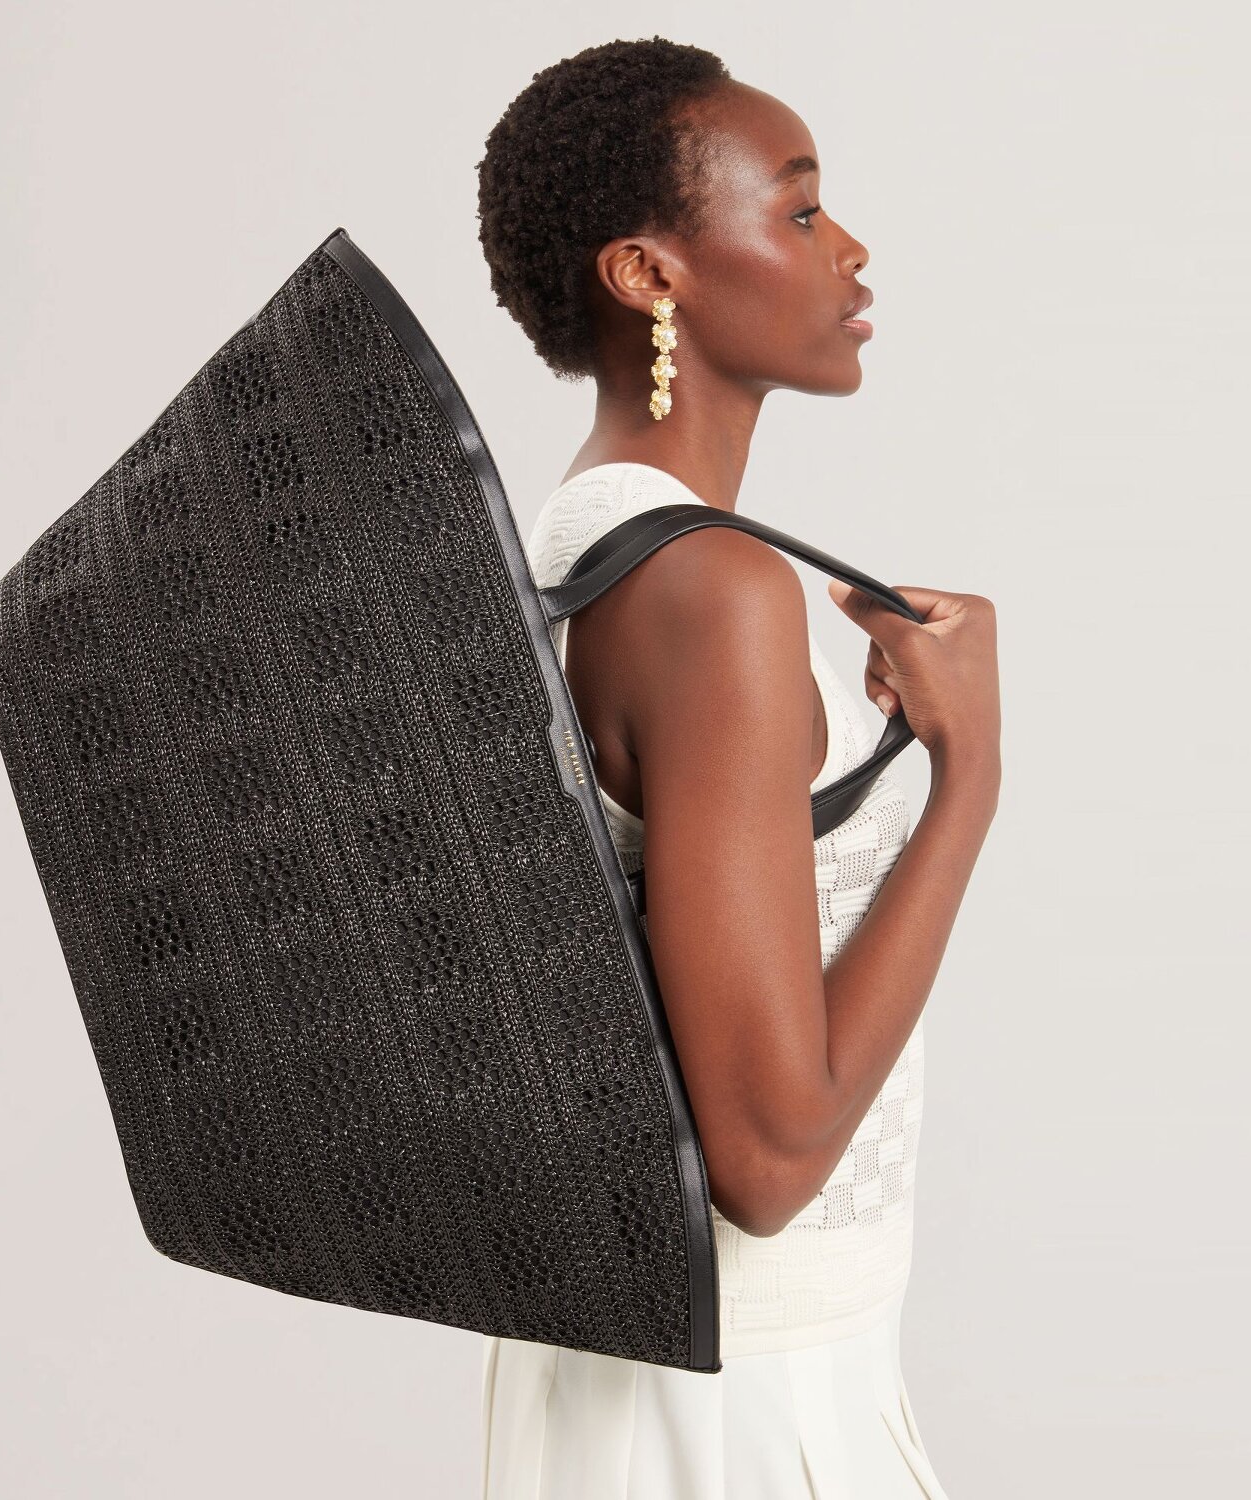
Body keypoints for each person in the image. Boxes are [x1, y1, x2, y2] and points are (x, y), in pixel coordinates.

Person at [473, 37, 1001, 1499]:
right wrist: (967, 777)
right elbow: (766, 1161)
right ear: (650, 275)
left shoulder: (581, 543)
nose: (851, 249)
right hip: (744, 1402)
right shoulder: (712, 592)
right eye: (802, 210)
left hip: (655, 1375)